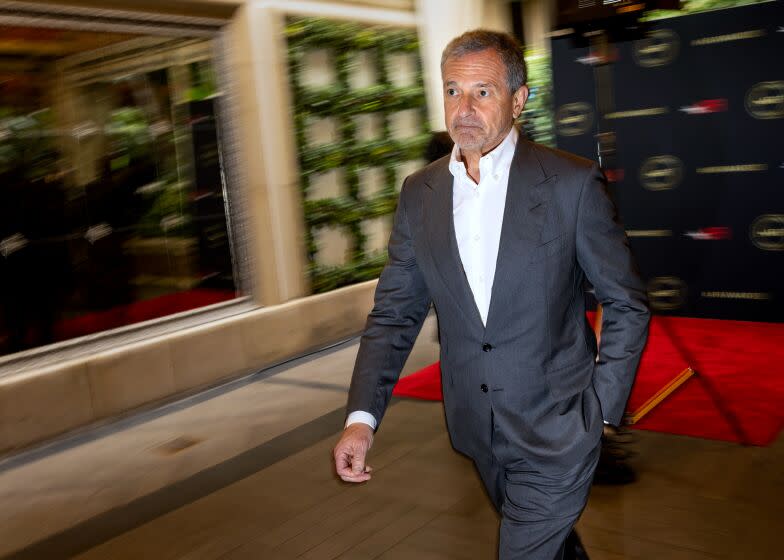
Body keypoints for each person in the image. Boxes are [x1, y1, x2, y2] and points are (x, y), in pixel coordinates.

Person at [333, 30, 649, 559]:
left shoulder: (571, 185)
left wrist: (602, 412)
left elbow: (625, 301)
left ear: (518, 99)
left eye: (483, 92)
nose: (464, 109)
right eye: (453, 91)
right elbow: (394, 316)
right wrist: (360, 422)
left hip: (561, 429)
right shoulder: (420, 193)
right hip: (478, 432)